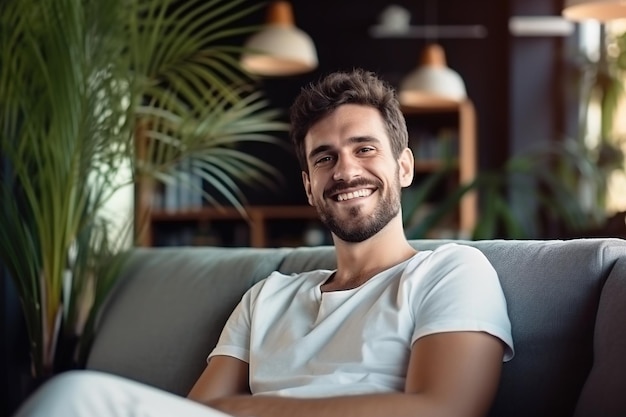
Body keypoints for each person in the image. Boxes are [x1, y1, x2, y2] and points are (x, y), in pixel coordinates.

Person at [14, 68, 514, 417]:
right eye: (324, 158)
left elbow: (444, 409)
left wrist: (246, 410)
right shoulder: (268, 296)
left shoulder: (452, 271)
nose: (345, 170)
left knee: (76, 398)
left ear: (403, 167)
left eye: (365, 149)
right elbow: (197, 412)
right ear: (308, 185)